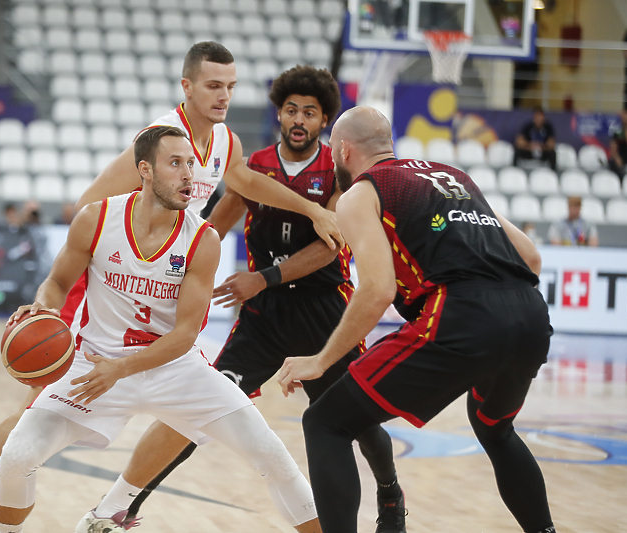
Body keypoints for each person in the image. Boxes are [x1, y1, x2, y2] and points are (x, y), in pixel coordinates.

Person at [0, 41, 341, 533]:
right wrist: (105, 279)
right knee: (32, 413)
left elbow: (245, 182)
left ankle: (113, 508)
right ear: (188, 87)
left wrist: (312, 209)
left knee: (194, 410)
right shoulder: (157, 139)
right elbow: (93, 206)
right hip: (111, 275)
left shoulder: (224, 142)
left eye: (231, 87)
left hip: (168, 279)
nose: (224, 96)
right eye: (213, 86)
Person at [97, 65, 405, 532]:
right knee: (201, 405)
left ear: (325, 121)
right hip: (264, 317)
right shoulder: (254, 165)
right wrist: (168, 267)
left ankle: (390, 495)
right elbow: (213, 227)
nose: (299, 119)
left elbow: (331, 245)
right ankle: (131, 503)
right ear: (279, 114)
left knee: (356, 418)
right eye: (291, 110)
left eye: (310, 112)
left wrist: (263, 277)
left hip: (324, 310)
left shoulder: (337, 170)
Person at [0, 126, 320, 533]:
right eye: (176, 164)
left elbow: (185, 334)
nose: (189, 175)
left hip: (174, 368)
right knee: (17, 456)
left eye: (192, 165)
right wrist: (44, 306)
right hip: (94, 363)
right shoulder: (96, 219)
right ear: (144, 170)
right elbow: (58, 282)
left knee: (271, 454)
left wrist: (122, 369)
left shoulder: (203, 239)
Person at [276, 106, 556, 533]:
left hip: (462, 313)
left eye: (333, 149)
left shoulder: (362, 193)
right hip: (531, 315)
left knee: (325, 422)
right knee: (493, 427)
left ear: (344, 149)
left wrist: (320, 360)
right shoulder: (454, 177)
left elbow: (378, 290)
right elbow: (531, 257)